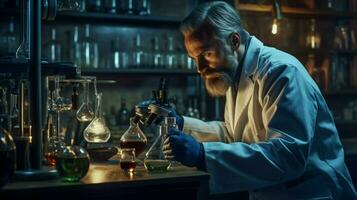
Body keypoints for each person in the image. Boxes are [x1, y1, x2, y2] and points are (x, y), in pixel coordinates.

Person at [161, 1, 357, 199]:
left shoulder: (281, 71)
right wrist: (182, 124)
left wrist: (203, 155)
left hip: (311, 194)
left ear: (234, 41)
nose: (199, 67)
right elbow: (234, 136)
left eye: (206, 53)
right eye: (194, 58)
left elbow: (288, 155)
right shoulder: (236, 75)